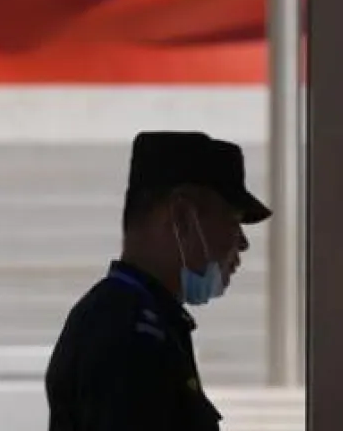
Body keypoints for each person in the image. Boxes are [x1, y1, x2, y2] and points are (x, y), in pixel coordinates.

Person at [46, 130, 272, 431]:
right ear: (181, 217)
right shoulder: (128, 331)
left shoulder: (146, 319)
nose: (241, 243)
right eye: (231, 220)